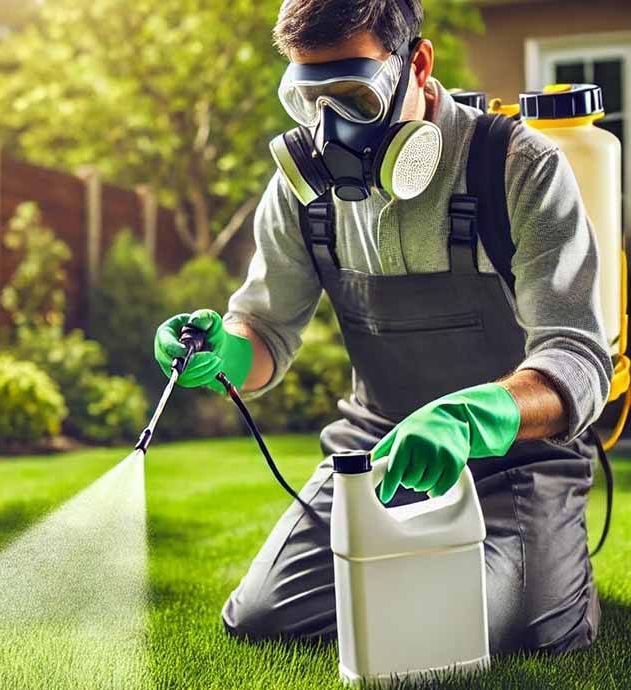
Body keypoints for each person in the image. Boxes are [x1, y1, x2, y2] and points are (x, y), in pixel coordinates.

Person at [153, 0, 609, 655]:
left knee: (516, 630)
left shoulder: (516, 167)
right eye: (310, 98)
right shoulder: (301, 190)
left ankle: (550, 575)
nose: (332, 127)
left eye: (355, 98)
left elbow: (577, 356)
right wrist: (223, 351)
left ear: (416, 65)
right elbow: (264, 333)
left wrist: (469, 420)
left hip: (518, 457)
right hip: (378, 448)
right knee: (263, 618)